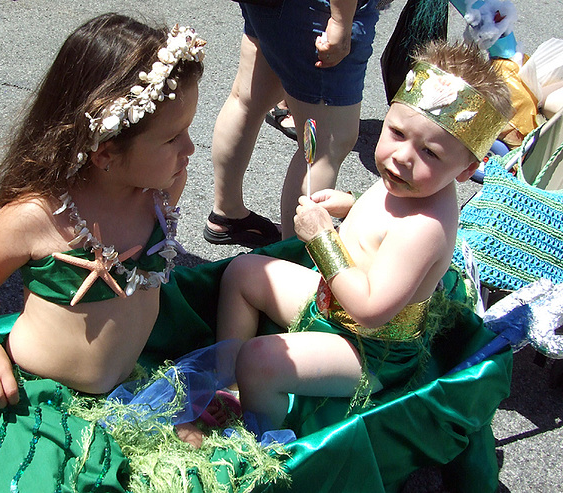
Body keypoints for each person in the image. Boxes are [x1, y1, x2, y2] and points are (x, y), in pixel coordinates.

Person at [216, 40, 514, 431]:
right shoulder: (409, 182)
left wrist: (322, 238)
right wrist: (350, 203)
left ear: (465, 169)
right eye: (396, 132)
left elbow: (370, 309)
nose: (403, 156)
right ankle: (224, 388)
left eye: (431, 153)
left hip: (370, 350)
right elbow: (382, 220)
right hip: (329, 305)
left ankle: (259, 441)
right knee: (244, 272)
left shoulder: (426, 227)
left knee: (261, 361)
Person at [0, 13, 205, 409]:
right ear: (105, 151)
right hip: (40, 395)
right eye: (173, 137)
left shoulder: (162, 193)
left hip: (128, 389)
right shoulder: (37, 215)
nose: (190, 149)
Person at [203, 0, 380, 247]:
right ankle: (291, 255)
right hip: (319, 9)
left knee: (248, 99)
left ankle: (227, 212)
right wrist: (340, 20)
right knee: (325, 145)